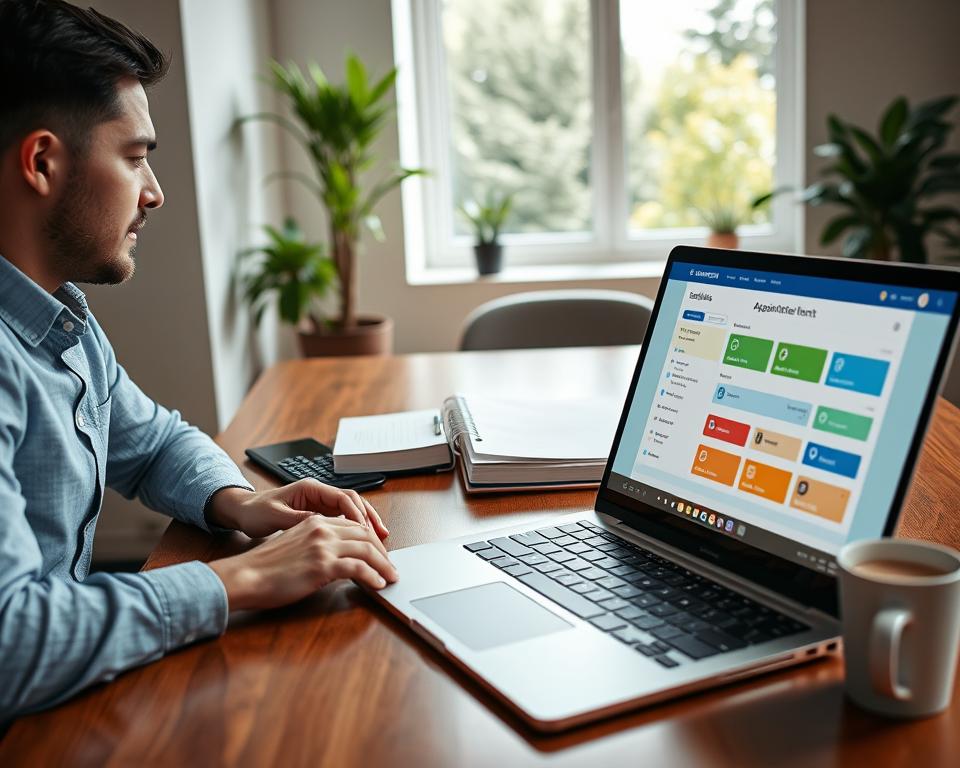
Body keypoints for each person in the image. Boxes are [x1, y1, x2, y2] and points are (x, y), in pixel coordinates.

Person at [0, 0, 398, 720]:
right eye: (135, 157)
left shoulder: (61, 321)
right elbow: (11, 644)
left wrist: (242, 504)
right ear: (42, 162)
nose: (154, 192)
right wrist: (237, 583)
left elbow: (150, 443)